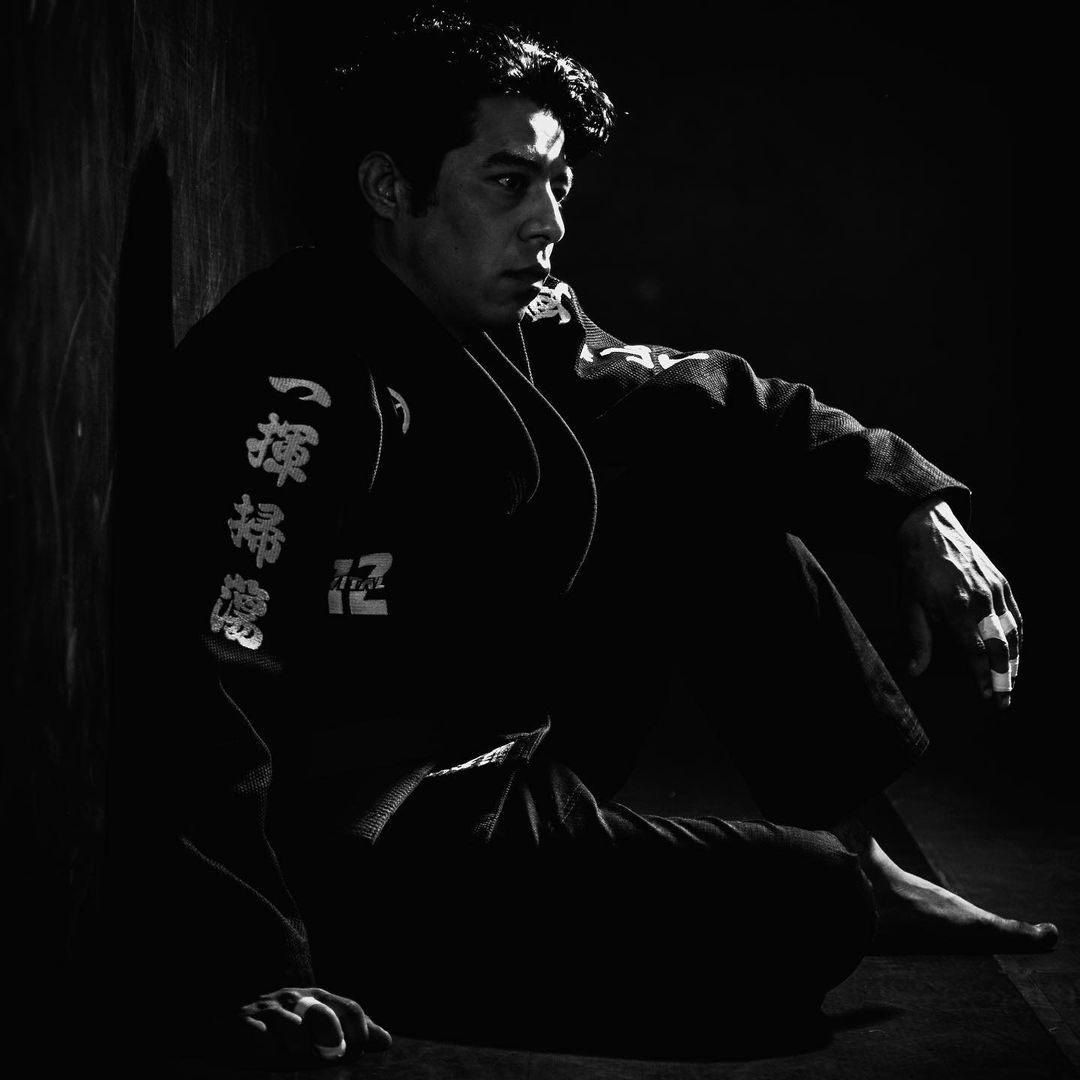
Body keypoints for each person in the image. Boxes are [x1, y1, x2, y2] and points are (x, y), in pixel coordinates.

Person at [112, 10, 1054, 1070]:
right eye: (508, 182)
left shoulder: (513, 314)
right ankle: (413, 950)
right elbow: (208, 675)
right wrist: (250, 961)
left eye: (558, 184)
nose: (549, 222)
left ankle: (867, 853)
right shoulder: (294, 375)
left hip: (492, 731)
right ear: (387, 186)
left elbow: (702, 396)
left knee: (702, 477)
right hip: (390, 831)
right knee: (812, 907)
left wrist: (912, 504)